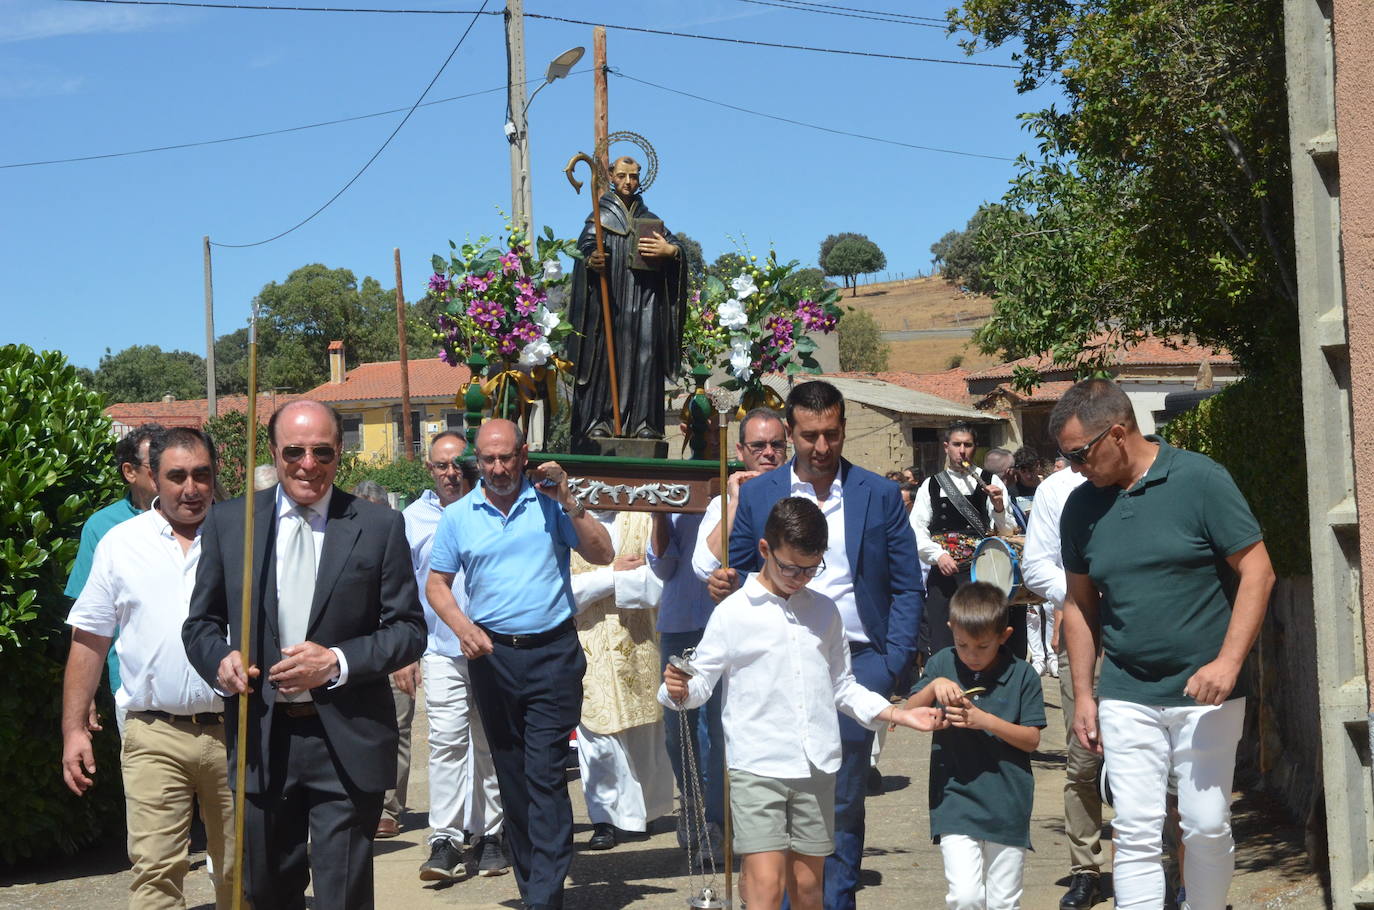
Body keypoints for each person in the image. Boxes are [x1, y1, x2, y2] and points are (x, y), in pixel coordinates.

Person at [182, 399, 427, 910]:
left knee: (342, 894)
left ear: (341, 453)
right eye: (294, 451)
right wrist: (220, 661)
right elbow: (201, 624)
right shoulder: (232, 523)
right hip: (262, 736)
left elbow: (407, 630)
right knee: (266, 890)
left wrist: (336, 661)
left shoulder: (378, 526)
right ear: (274, 452)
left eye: (322, 452)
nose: (308, 465)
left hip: (346, 735)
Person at [1053, 379, 1275, 910]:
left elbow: (1258, 572)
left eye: (1079, 455)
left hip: (1207, 692)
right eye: (1065, 457)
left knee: (1205, 824)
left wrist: (1228, 662)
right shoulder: (1080, 509)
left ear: (1119, 434)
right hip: (1127, 690)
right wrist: (1086, 695)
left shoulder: (1200, 480)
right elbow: (1080, 605)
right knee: (1133, 828)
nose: (1073, 467)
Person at [663, 497, 944, 910]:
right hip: (757, 764)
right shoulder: (733, 613)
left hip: (815, 765)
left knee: (809, 889)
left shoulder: (825, 612)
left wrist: (898, 712)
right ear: (764, 550)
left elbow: (843, 687)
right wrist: (678, 688)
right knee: (765, 887)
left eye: (811, 569)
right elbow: (699, 682)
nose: (799, 578)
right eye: (789, 567)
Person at [710, 380, 924, 910]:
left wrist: (890, 666)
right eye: (809, 436)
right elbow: (739, 567)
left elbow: (906, 586)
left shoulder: (877, 494)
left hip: (857, 662)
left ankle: (836, 901)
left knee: (842, 801)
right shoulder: (761, 494)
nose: (822, 447)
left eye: (831, 434)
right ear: (791, 432)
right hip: (775, 667)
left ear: (844, 428)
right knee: (775, 801)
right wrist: (725, 583)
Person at [424, 419, 614, 910]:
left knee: (546, 773)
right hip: (493, 658)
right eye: (488, 459)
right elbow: (437, 585)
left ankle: (547, 891)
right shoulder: (460, 516)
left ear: (523, 454)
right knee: (511, 777)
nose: (499, 468)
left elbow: (602, 551)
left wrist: (570, 500)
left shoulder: (551, 502)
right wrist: (463, 627)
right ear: (477, 461)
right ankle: (534, 888)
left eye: (507, 457)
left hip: (553, 653)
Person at [62, 426, 236, 908]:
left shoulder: (244, 537)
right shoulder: (120, 544)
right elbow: (90, 639)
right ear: (152, 479)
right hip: (154, 733)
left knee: (241, 871)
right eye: (176, 475)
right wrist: (74, 729)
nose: (191, 487)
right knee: (155, 874)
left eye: (201, 474)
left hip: (238, 732)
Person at [404, 432, 508, 881]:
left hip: (491, 649)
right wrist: (405, 652)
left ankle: (489, 836)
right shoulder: (412, 519)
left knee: (488, 744)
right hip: (441, 650)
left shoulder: (489, 509)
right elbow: (402, 589)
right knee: (446, 742)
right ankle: (444, 838)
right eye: (441, 466)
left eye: (457, 465)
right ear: (429, 469)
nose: (450, 473)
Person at [904, 581, 1046, 910]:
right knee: (964, 896)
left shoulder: (1023, 675)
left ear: (1004, 635)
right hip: (955, 799)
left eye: (982, 647)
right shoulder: (942, 664)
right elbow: (906, 713)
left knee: (1002, 902)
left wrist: (984, 721)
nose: (971, 655)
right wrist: (934, 685)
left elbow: (1032, 740)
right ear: (951, 629)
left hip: (1007, 802)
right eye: (963, 644)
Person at [1020, 457, 1103, 909]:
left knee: (1154, 754)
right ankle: (1085, 868)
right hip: (1085, 631)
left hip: (1147, 633)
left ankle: (1162, 862)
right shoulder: (1058, 490)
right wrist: (1083, 591)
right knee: (1083, 754)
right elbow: (1035, 566)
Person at [567, 155, 688, 444]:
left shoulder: (650, 219)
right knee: (605, 356)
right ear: (610, 175)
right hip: (610, 302)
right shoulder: (601, 215)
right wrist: (591, 261)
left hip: (645, 301)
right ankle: (600, 421)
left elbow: (678, 249)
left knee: (646, 354)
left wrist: (671, 252)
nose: (628, 182)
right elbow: (584, 248)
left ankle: (645, 423)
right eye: (622, 176)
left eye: (633, 176)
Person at [573, 509, 674, 850]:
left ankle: (644, 811)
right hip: (588, 640)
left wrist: (610, 582)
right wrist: (610, 578)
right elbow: (557, 589)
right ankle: (605, 818)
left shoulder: (644, 516)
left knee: (645, 731)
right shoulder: (566, 519)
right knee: (599, 733)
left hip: (640, 635)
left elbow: (660, 578)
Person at [65, 421, 163, 737]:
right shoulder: (103, 527)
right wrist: (85, 693)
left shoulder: (205, 517)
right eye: (156, 465)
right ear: (129, 472)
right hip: (135, 693)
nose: (167, 471)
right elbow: (88, 618)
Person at [910, 422, 1018, 660]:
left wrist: (999, 506)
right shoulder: (931, 484)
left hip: (980, 574)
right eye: (957, 444)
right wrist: (938, 555)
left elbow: (1007, 532)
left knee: (981, 636)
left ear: (974, 448)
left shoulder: (992, 481)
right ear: (946, 447)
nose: (962, 451)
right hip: (944, 574)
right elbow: (916, 530)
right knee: (942, 638)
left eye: (967, 445)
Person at [345, 479, 414, 841]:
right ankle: (360, 801)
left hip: (392, 651)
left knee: (398, 728)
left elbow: (406, 604)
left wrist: (406, 656)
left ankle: (389, 807)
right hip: (351, 656)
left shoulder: (396, 538)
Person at [691, 407, 788, 580]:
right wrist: (736, 501)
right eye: (758, 446)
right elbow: (703, 567)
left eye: (776, 445)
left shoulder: (798, 495)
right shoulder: (725, 503)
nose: (769, 453)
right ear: (740, 451)